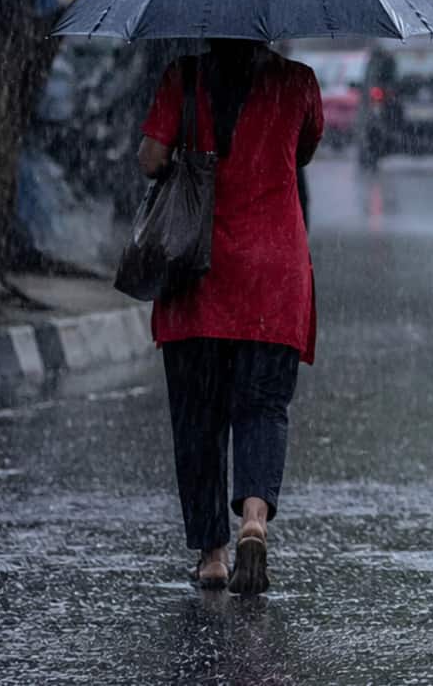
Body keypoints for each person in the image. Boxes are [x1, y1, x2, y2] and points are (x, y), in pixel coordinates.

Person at [139, 39, 323, 594]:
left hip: (197, 274)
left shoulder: (184, 78)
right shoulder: (298, 83)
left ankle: (213, 556)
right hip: (273, 277)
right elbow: (303, 152)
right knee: (263, 407)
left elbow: (150, 159)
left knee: (197, 418)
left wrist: (183, 153)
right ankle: (253, 519)